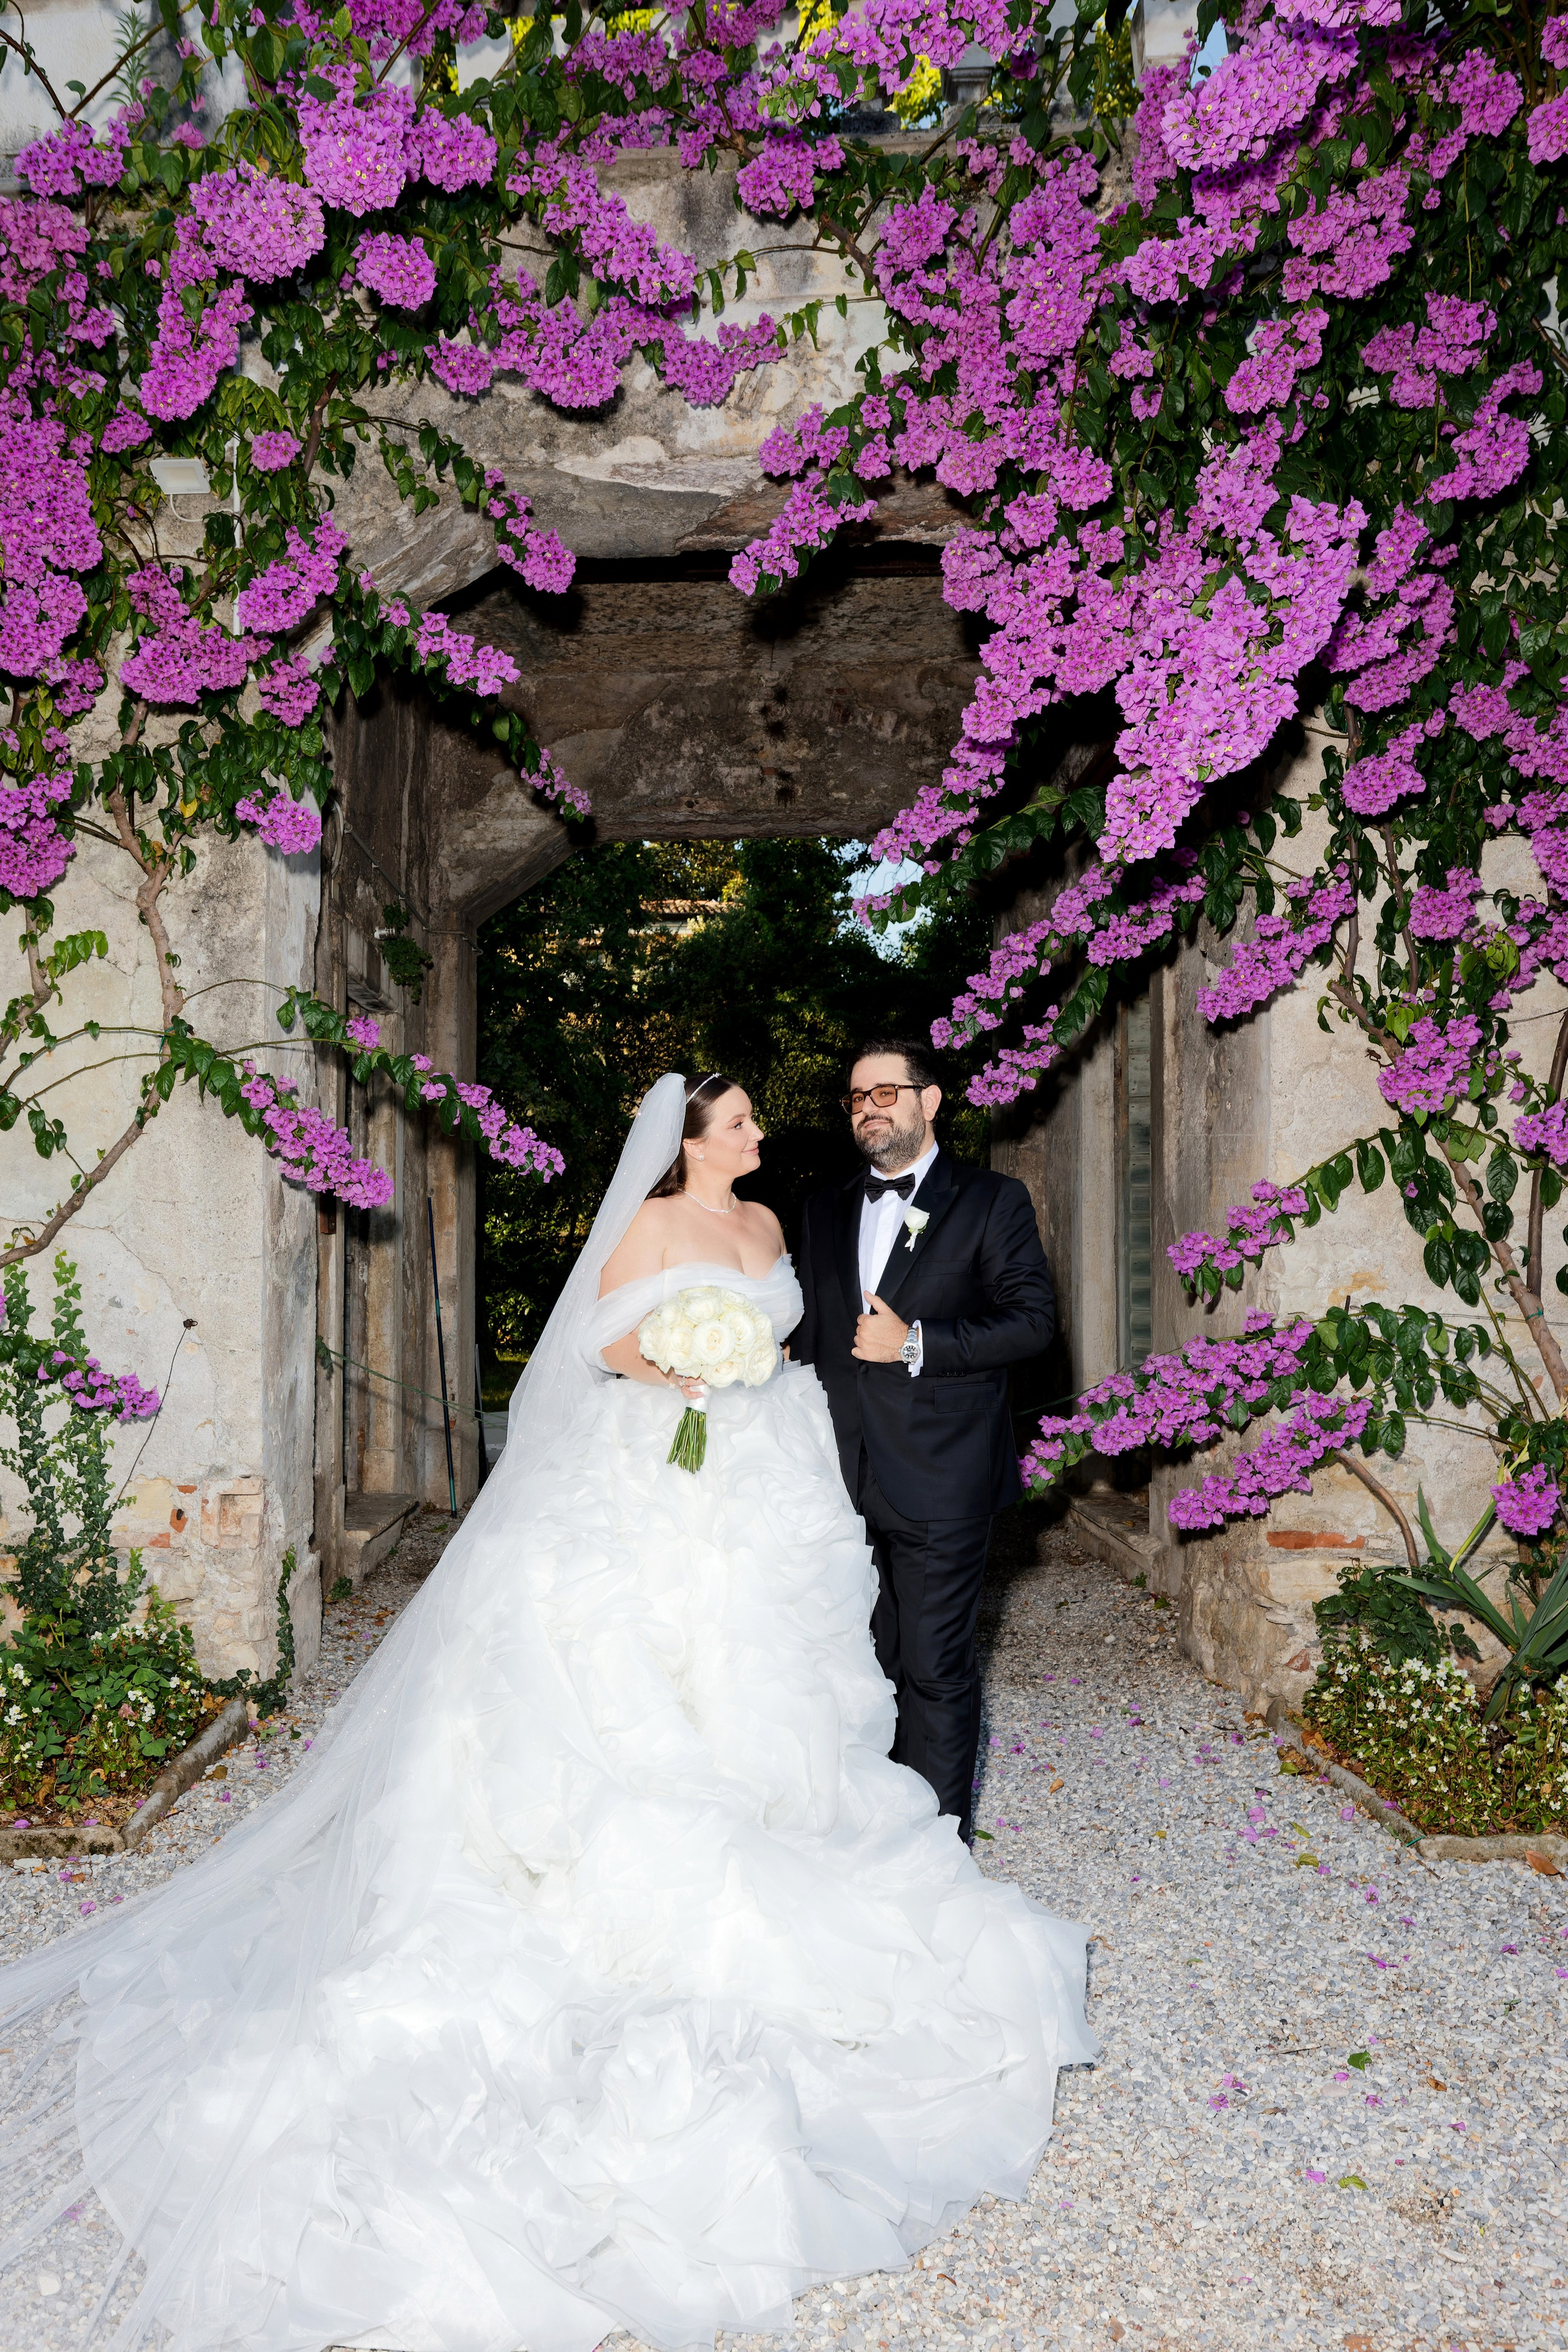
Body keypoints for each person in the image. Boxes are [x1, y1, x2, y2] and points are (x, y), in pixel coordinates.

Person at [0, 1073, 1093, 2352]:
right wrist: (684, 1365)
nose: (758, 1133)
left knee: (780, 1676)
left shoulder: (774, 1226)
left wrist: (755, 1364)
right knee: (636, 1678)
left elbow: (803, 1339)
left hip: (766, 1480)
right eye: (736, 1121)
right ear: (686, 1142)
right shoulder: (649, 1224)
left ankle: (807, 1827)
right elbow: (594, 1346)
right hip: (657, 1486)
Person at [793, 1039, 1055, 1845]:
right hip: (835, 1479)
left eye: (887, 1093)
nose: (870, 1108)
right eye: (856, 1098)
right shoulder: (822, 1207)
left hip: (941, 1478)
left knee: (934, 1668)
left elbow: (1033, 1323)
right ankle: (871, 1826)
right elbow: (807, 1335)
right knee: (858, 1666)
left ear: (930, 1100)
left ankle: (936, 1856)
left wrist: (918, 1344)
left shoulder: (991, 1201)